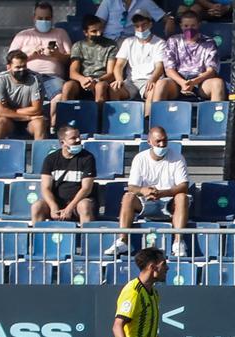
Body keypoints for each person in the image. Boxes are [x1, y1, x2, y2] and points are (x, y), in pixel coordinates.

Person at [105, 127, 193, 257]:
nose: (162, 144)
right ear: (149, 142)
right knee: (128, 197)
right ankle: (123, 241)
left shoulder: (177, 158)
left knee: (182, 197)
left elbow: (183, 186)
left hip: (169, 201)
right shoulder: (140, 158)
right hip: (145, 201)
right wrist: (143, 190)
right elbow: (132, 187)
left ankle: (178, 242)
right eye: (158, 141)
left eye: (165, 140)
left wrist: (161, 193)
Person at [8, 2, 70, 112]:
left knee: (60, 97)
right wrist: (29, 54)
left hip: (52, 77)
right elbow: (10, 60)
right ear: (34, 18)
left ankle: (53, 126)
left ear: (52, 18)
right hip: (27, 76)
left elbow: (71, 59)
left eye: (47, 18)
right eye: (40, 18)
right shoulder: (23, 35)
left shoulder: (60, 33)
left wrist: (56, 55)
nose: (44, 21)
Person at [154, 11, 225, 103]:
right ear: (181, 26)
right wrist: (183, 83)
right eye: (186, 26)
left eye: (193, 25)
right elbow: (169, 70)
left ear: (199, 25)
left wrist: (194, 82)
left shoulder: (209, 42)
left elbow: (211, 71)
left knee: (218, 83)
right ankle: (156, 116)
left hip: (201, 81)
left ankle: (216, 116)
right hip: (177, 82)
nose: (189, 29)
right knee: (161, 83)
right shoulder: (173, 41)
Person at [32, 126, 96, 224]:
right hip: (58, 202)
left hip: (78, 203)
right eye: (73, 138)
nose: (78, 140)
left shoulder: (87, 158)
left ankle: (87, 239)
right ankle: (37, 238)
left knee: (84, 206)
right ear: (62, 142)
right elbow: (45, 188)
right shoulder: (50, 159)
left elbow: (86, 188)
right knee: (37, 206)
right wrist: (53, 206)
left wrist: (69, 208)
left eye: (79, 137)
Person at [61, 16, 119, 108]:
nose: (99, 33)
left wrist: (96, 81)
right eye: (94, 31)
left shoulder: (111, 46)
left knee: (100, 87)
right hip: (82, 82)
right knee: (68, 86)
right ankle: (66, 119)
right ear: (85, 33)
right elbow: (73, 73)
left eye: (100, 29)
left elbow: (111, 73)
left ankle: (99, 119)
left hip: (101, 80)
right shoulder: (78, 46)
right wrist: (82, 80)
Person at [109, 11, 166, 105]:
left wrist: (152, 80)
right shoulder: (128, 42)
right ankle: (117, 119)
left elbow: (159, 67)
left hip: (150, 80)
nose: (141, 29)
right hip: (131, 82)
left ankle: (148, 118)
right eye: (137, 26)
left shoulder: (160, 43)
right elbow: (119, 65)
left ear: (150, 24)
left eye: (144, 25)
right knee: (114, 89)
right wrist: (119, 79)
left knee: (153, 92)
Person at [0, 50, 47, 140]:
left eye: (24, 66)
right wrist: (26, 116)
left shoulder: (35, 78)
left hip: (31, 122)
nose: (21, 70)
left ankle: (40, 153)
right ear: (9, 67)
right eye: (17, 67)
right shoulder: (1, 79)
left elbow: (37, 109)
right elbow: (0, 111)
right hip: (11, 121)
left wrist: (9, 111)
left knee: (39, 123)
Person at [96, 0, 172, 40]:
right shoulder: (108, 1)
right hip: (109, 40)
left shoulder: (145, 2)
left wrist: (170, 20)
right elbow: (98, 23)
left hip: (132, 40)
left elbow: (164, 17)